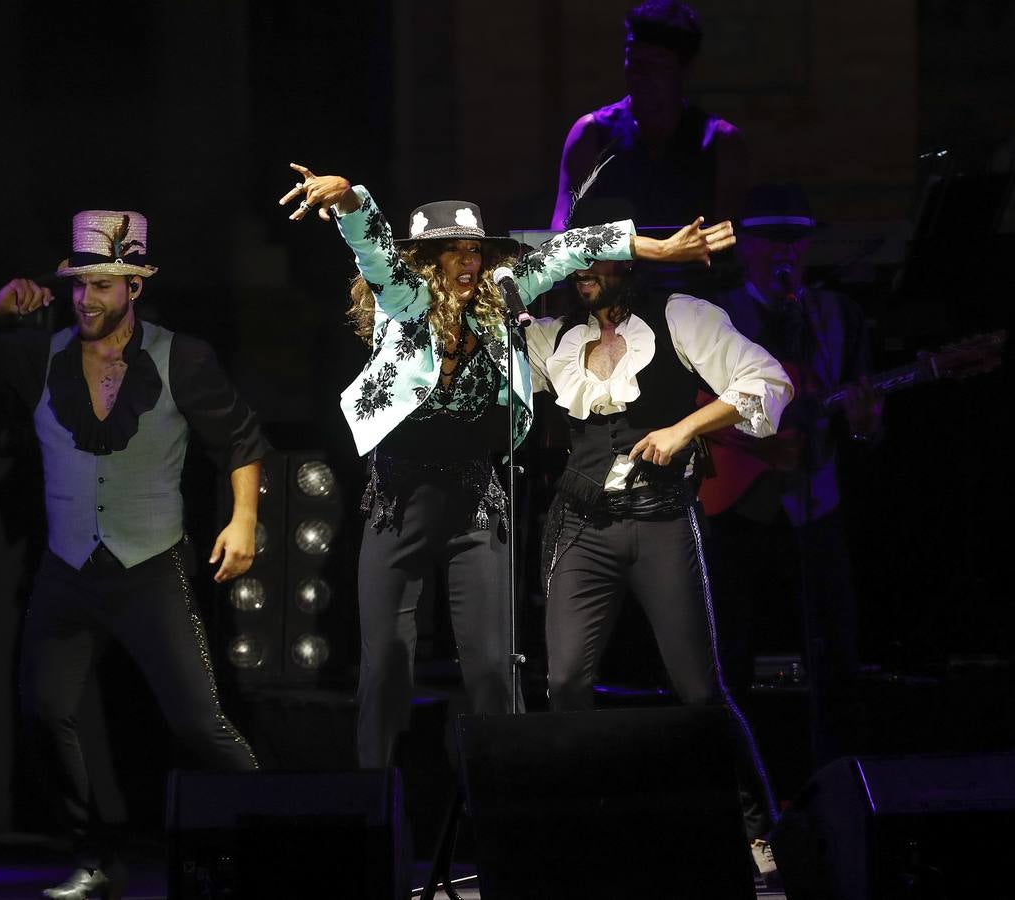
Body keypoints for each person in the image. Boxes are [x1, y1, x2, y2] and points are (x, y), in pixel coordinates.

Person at [278, 163, 733, 770]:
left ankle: (503, 814)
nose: (467, 263)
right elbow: (372, 245)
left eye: (474, 251)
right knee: (385, 666)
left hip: (474, 502)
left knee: (495, 670)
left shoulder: (499, 298)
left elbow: (573, 248)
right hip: (399, 501)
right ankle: (376, 818)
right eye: (452, 253)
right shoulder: (402, 296)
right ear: (424, 262)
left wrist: (659, 247)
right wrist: (349, 198)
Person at [0, 210, 265, 900]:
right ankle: (93, 858)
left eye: (104, 286)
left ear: (134, 289)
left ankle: (279, 839)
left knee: (199, 724)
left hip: (152, 561)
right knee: (44, 710)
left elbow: (242, 441)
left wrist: (244, 520)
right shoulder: (36, 355)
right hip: (67, 567)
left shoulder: (182, 356)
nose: (88, 300)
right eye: (80, 286)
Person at [523, 199, 793, 881]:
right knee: (563, 682)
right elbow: (509, 266)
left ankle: (758, 828)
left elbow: (767, 381)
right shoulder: (548, 335)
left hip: (663, 520)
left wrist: (686, 427)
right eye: (578, 258)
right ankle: (581, 830)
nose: (585, 270)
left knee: (698, 689)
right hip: (578, 527)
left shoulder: (679, 318)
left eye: (602, 257)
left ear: (633, 262)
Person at [699, 183, 881, 772]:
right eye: (771, 240)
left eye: (795, 241)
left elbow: (861, 418)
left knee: (834, 643)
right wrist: (762, 442)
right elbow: (696, 409)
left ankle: (839, 776)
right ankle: (735, 781)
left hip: (813, 503)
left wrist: (862, 421)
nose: (784, 253)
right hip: (737, 504)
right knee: (730, 647)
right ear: (744, 246)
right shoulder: (717, 315)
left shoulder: (835, 316)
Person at [551, 0, 749, 231]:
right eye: (633, 61)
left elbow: (729, 242)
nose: (638, 75)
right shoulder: (590, 134)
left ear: (685, 69)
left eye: (654, 65)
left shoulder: (721, 142)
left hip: (694, 267)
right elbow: (561, 229)